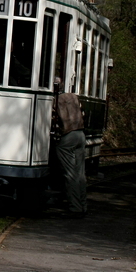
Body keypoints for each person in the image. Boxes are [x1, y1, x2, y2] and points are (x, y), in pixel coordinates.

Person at [52, 78, 87, 218]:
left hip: (67, 136)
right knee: (80, 173)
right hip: (80, 134)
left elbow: (53, 119)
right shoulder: (73, 97)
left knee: (70, 173)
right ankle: (83, 205)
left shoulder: (55, 101)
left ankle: (75, 207)